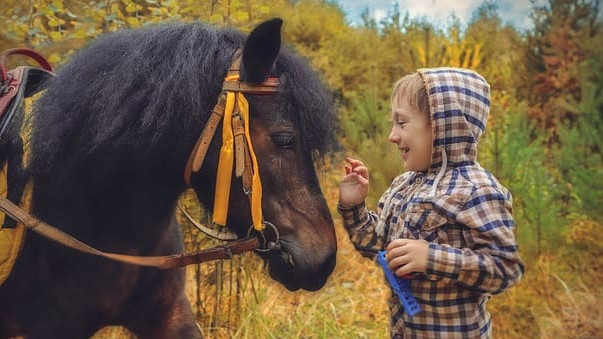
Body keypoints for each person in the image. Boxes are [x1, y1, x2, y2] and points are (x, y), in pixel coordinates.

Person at [338, 68, 525, 338]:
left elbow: (506, 268)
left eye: (402, 123)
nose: (392, 135)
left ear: (442, 125)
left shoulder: (476, 190)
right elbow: (380, 248)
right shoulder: (404, 184)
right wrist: (354, 208)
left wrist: (432, 258)